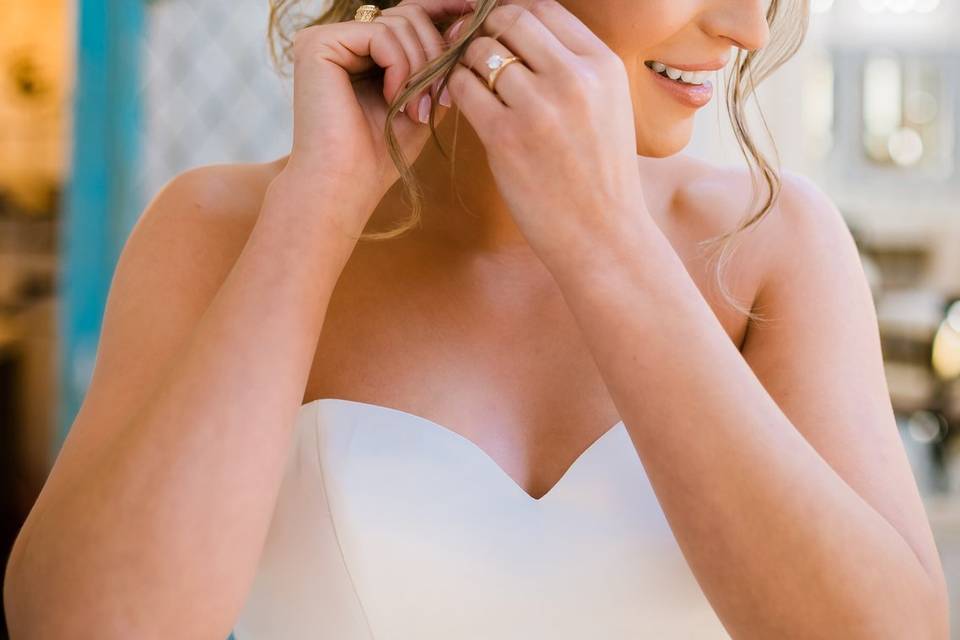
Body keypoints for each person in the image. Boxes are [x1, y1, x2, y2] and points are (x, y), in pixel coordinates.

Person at [3, 0, 950, 638]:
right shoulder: (219, 231)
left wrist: (606, 243)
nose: (746, 24)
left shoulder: (775, 246)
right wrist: (315, 214)